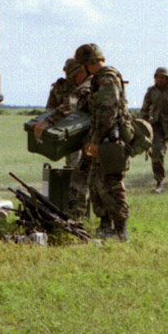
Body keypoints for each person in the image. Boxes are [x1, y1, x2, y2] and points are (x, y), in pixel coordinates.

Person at [74, 43, 132, 241]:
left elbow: (108, 113)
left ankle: (121, 230)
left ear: (89, 63)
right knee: (96, 183)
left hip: (110, 140)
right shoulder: (99, 79)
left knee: (112, 185)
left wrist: (97, 142)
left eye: (83, 65)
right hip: (102, 138)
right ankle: (106, 226)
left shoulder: (106, 79)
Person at [33, 59, 93, 219]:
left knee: (91, 173)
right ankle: (77, 211)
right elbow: (50, 109)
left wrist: (49, 120)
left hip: (92, 133)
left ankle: (87, 212)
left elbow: (70, 105)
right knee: (75, 168)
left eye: (75, 74)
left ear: (83, 71)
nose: (72, 78)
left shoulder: (92, 84)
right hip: (68, 135)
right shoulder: (61, 86)